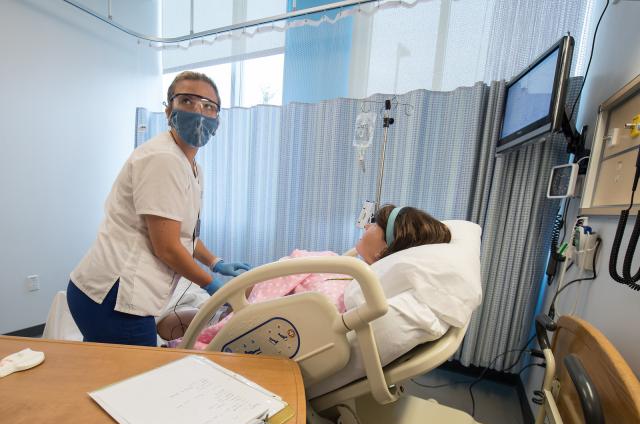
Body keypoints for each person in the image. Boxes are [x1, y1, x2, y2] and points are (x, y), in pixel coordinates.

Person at [67, 71, 250, 346]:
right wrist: (211, 284)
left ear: (217, 121)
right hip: (113, 298)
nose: (199, 111)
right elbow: (166, 246)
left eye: (208, 106)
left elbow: (183, 234)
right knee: (131, 380)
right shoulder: (163, 159)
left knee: (106, 374)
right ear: (168, 111)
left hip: (116, 296)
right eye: (187, 101)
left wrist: (216, 262)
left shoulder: (191, 166)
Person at [158, 204, 451, 346]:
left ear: (384, 250)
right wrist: (218, 265)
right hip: (236, 302)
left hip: (238, 315)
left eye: (375, 223)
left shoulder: (353, 284)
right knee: (172, 316)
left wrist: (229, 292)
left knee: (165, 325)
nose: (366, 225)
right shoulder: (348, 271)